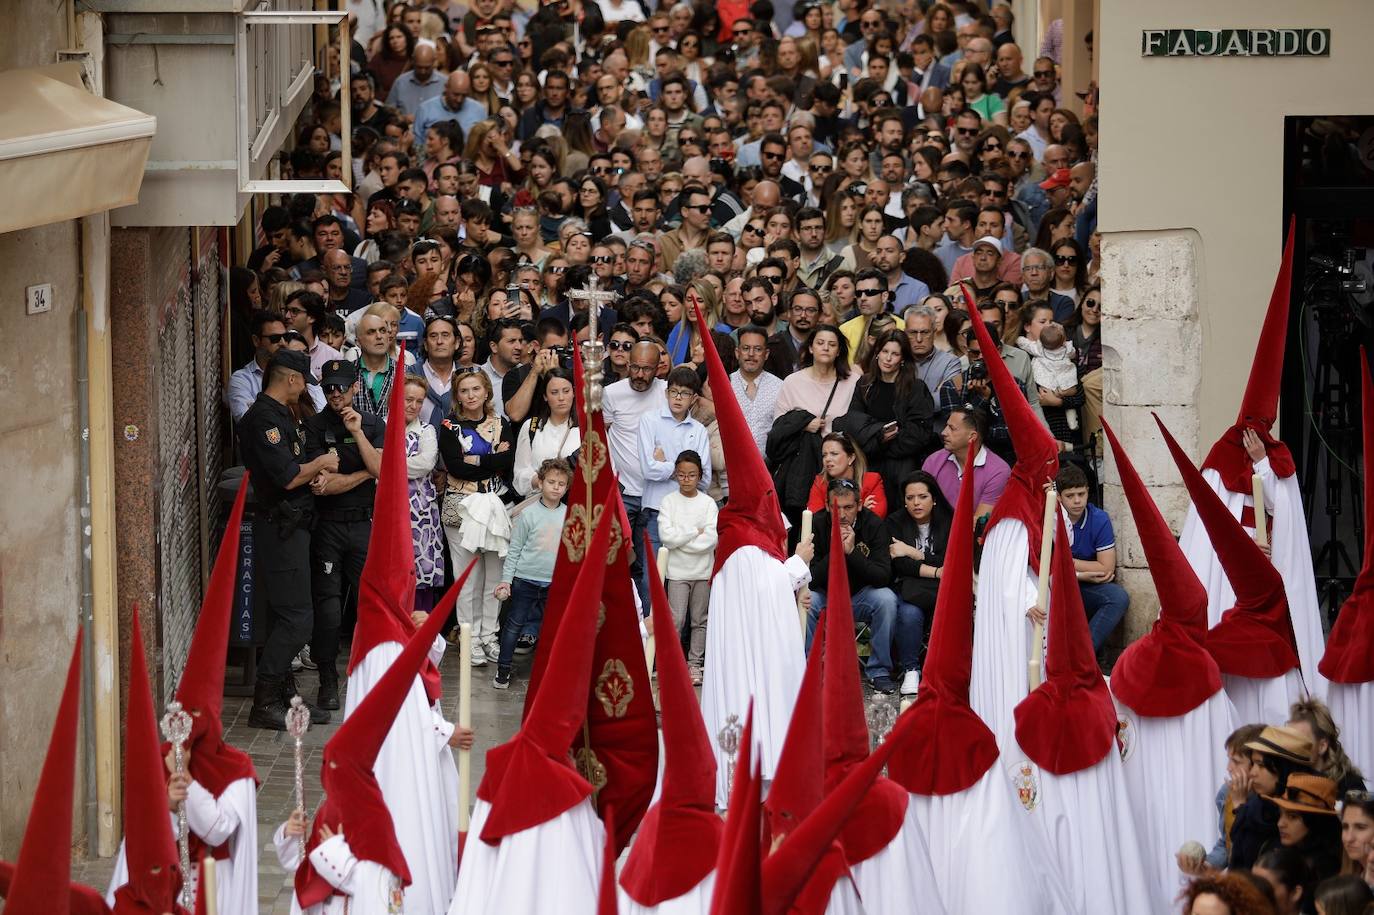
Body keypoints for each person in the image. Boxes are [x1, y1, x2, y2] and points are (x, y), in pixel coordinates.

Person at [238, 349, 339, 728]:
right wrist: (321, 464)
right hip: (279, 527)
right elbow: (286, 476)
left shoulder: (283, 415)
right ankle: (264, 703)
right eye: (303, 383)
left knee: (289, 615)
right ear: (291, 379)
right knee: (298, 619)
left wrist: (311, 473)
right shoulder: (262, 419)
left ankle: (287, 695)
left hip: (296, 526)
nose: (304, 391)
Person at [303, 359, 385, 710]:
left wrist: (357, 437)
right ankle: (327, 679)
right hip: (328, 526)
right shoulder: (313, 426)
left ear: (355, 387)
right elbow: (320, 485)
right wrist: (363, 472)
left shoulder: (371, 423)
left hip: (363, 523)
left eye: (341, 387)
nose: (335, 393)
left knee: (373, 604)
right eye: (328, 388)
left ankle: (373, 678)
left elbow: (382, 468)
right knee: (329, 611)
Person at [806, 479, 918, 694]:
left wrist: (852, 553)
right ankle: (811, 670)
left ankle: (878, 671)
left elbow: (883, 576)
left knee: (886, 599)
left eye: (848, 507)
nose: (842, 514)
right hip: (825, 594)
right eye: (836, 508)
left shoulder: (873, 524)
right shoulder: (817, 524)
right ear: (828, 506)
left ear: (859, 505)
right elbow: (808, 578)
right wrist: (835, 550)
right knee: (808, 599)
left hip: (860, 595)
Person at [438, 371, 515, 667]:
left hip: (496, 506)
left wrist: (477, 461)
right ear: (457, 396)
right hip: (462, 509)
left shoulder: (501, 423)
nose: (470, 395)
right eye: (464, 391)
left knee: (494, 578)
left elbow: (506, 462)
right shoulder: (449, 427)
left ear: (486, 393)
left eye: (476, 389)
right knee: (467, 579)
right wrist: (490, 459)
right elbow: (457, 468)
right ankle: (470, 640)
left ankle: (489, 636)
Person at [835, 328, 938, 507]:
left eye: (895, 354)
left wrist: (879, 442)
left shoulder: (915, 388)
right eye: (885, 351)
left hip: (902, 467)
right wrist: (880, 437)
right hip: (869, 464)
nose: (888, 358)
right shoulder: (864, 383)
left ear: (903, 358)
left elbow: (918, 434)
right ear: (877, 353)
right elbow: (854, 424)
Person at [493, 458, 571, 689]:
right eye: (551, 482)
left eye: (561, 483)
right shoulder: (528, 514)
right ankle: (503, 670)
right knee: (514, 626)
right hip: (525, 579)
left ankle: (550, 671)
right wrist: (507, 580)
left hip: (554, 582)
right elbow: (515, 549)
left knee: (553, 629)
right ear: (541, 483)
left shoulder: (569, 514)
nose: (556, 487)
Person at [604, 340, 670, 602]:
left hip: (656, 496)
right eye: (635, 367)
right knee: (618, 563)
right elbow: (602, 436)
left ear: (658, 368)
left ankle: (649, 630)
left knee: (651, 567)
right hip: (623, 495)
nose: (640, 375)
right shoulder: (611, 393)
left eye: (646, 369)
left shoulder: (667, 392)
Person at [638, 366, 714, 583]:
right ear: (666, 393)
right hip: (656, 508)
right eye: (674, 391)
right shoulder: (649, 421)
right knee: (651, 576)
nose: (678, 398)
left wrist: (666, 464)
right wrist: (684, 470)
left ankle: (675, 619)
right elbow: (648, 469)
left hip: (688, 512)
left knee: (682, 578)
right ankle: (651, 618)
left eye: (685, 393)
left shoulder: (698, 430)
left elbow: (704, 479)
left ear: (694, 398)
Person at [657, 449, 719, 684]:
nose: (686, 480)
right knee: (676, 620)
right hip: (677, 572)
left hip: (703, 572)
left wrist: (682, 541)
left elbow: (710, 540)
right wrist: (694, 532)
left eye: (691, 475)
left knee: (699, 620)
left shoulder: (708, 504)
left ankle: (694, 665)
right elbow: (666, 537)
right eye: (682, 475)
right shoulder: (668, 502)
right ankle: (671, 664)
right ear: (676, 475)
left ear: (699, 476)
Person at [885, 470, 952, 685]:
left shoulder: (950, 520)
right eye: (910, 497)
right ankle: (911, 669)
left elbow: (950, 560)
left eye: (922, 497)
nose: (916, 503)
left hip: (945, 589)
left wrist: (915, 553)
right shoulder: (894, 522)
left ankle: (947, 671)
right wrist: (936, 571)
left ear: (934, 499)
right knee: (909, 613)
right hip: (910, 588)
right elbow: (901, 565)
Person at [1054, 463, 1127, 651]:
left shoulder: (1098, 518)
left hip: (1085, 585)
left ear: (1088, 492)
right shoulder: (1051, 518)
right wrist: (1078, 571)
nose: (1077, 501)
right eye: (1070, 496)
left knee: (1117, 597)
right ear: (1059, 498)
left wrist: (1068, 563)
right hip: (1054, 583)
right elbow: (1047, 567)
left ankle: (1083, 654)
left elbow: (1106, 568)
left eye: (1081, 494)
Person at [401, 375, 444, 614]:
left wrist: (390, 463)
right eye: (408, 399)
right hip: (393, 510)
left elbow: (426, 463)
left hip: (422, 512)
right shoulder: (382, 426)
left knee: (423, 569)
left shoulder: (426, 430)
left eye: (419, 401)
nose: (413, 406)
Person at [921, 406, 1009, 519]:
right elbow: (920, 507)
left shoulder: (998, 471)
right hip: (933, 533)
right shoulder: (933, 461)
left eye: (952, 428)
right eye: (946, 426)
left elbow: (979, 524)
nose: (943, 432)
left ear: (972, 437)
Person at [511, 366, 581, 497]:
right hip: (538, 504)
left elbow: (605, 470)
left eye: (566, 391)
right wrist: (544, 481)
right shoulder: (531, 426)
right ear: (545, 396)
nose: (561, 398)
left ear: (574, 392)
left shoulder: (587, 428)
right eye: (554, 392)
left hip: (576, 505)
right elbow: (519, 475)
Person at [1267, 773, 1344, 884]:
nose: (1280, 824)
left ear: (1315, 821)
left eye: (1292, 817)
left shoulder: (1326, 869)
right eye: (1280, 814)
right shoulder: (1279, 851)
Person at [805, 431, 887, 517]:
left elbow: (876, 520)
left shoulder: (872, 481)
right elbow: (816, 520)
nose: (827, 459)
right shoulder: (820, 482)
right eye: (824, 455)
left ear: (851, 458)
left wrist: (831, 515)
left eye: (834, 454)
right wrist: (860, 512)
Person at [731, 324, 784, 454]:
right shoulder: (726, 384)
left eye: (758, 349)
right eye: (746, 348)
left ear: (766, 354)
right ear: (737, 353)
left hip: (768, 469)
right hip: (728, 469)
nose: (751, 354)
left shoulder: (780, 387)